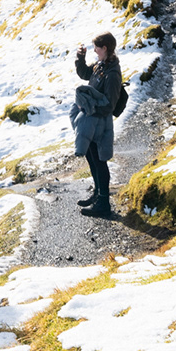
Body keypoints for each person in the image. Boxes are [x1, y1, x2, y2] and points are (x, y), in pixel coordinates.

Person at [70, 31, 123, 219]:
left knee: (100, 162)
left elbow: (109, 105)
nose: (94, 51)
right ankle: (98, 194)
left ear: (104, 48)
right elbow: (85, 74)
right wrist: (80, 58)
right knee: (92, 158)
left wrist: (88, 107)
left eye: (96, 48)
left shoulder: (112, 74)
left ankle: (103, 203)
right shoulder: (101, 65)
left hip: (100, 124)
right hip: (92, 121)